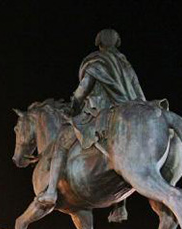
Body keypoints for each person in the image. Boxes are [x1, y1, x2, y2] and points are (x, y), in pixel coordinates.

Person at [37, 29, 146, 211]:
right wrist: (143, 107)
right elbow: (137, 89)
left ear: (99, 43)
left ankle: (50, 192)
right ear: (116, 43)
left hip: (98, 111)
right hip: (125, 109)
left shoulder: (96, 61)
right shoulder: (124, 63)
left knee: (63, 139)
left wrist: (74, 104)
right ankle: (120, 205)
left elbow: (84, 88)